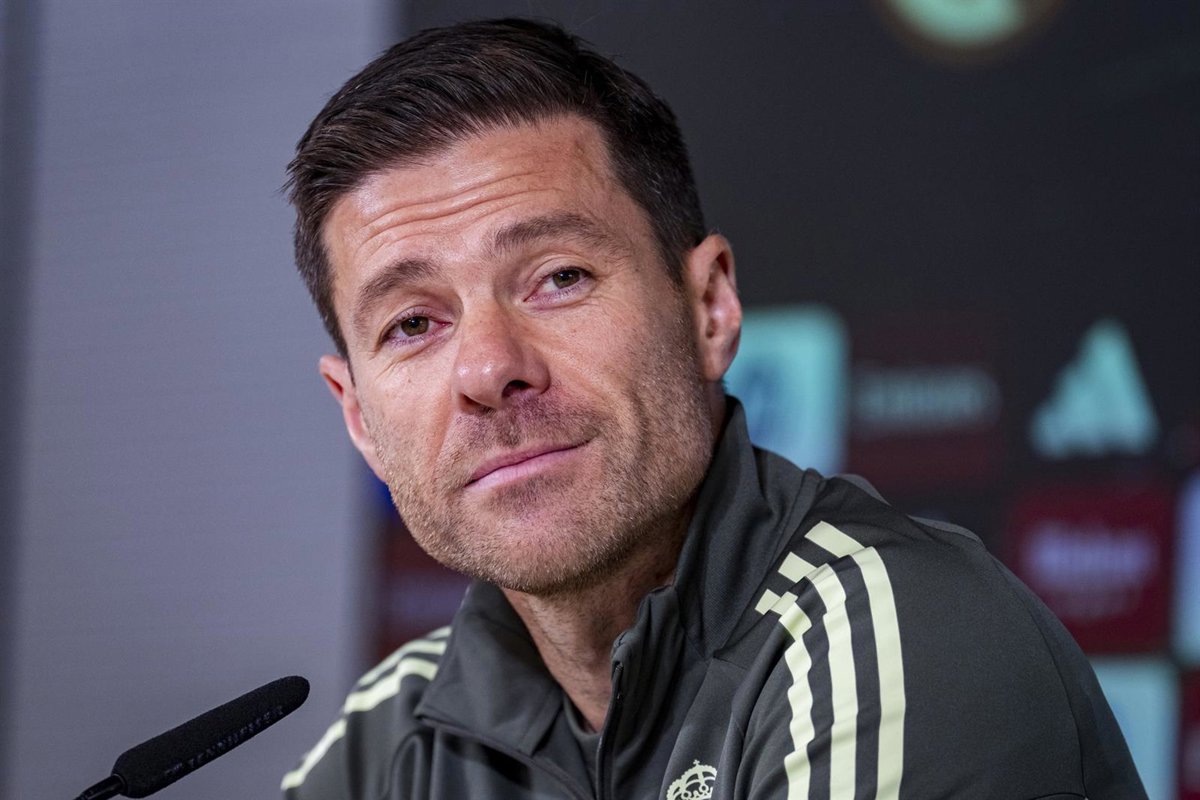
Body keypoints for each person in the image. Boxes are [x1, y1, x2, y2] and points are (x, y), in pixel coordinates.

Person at [279, 17, 1145, 800]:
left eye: (559, 277)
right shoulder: (386, 737)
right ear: (359, 419)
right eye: (412, 324)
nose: (488, 369)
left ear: (710, 309)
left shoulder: (903, 639)